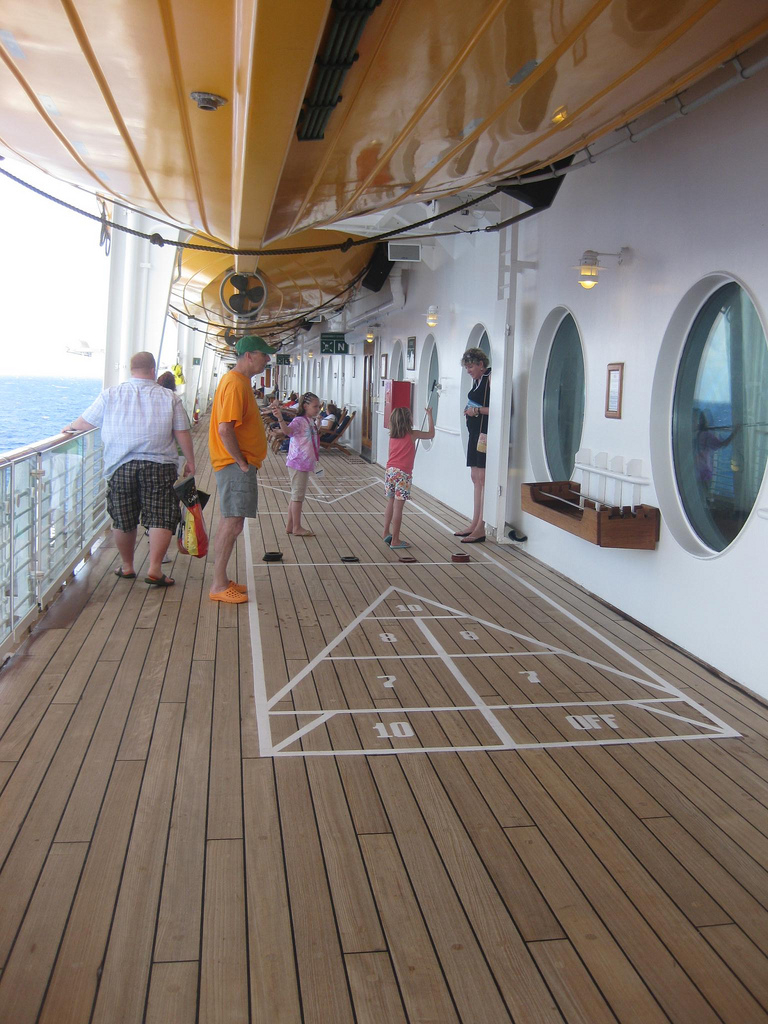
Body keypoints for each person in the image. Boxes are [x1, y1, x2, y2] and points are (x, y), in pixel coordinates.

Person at [63, 350, 194, 586]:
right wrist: (191, 462)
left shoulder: (110, 394)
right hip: (159, 464)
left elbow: (85, 422)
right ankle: (155, 568)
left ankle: (127, 566)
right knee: (161, 515)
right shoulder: (169, 397)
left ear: (131, 370)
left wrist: (70, 427)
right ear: (153, 370)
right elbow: (181, 432)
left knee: (123, 517)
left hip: (120, 464)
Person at [208, 334, 276, 604]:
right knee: (232, 522)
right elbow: (225, 429)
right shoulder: (236, 384)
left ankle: (222, 580)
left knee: (232, 522)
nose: (268, 359)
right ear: (249, 356)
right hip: (235, 465)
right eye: (264, 354)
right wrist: (241, 462)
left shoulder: (240, 382)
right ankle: (217, 584)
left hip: (235, 464)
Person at [382, 405, 434, 549]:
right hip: (403, 474)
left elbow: (390, 454)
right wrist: (429, 415)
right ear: (407, 420)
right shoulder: (413, 434)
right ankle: (396, 540)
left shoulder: (392, 436)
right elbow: (431, 434)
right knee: (399, 507)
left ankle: (386, 532)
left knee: (391, 502)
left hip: (390, 471)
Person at [270, 391, 322, 537]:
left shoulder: (310, 420)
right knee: (298, 496)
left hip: (305, 463)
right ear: (305, 406)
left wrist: (317, 423)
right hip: (298, 462)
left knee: (296, 495)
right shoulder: (299, 420)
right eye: (315, 406)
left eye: (319, 407)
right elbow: (288, 431)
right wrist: (280, 418)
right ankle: (297, 527)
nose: (317, 409)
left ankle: (290, 525)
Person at [455, 347, 491, 543]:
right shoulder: (477, 381)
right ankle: (474, 521)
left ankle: (481, 527)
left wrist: (475, 411)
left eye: (470, 366)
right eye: (466, 367)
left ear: (480, 364)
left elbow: (501, 408)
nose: (468, 370)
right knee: (475, 477)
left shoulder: (490, 378)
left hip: (485, 435)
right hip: (475, 434)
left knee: (483, 479)